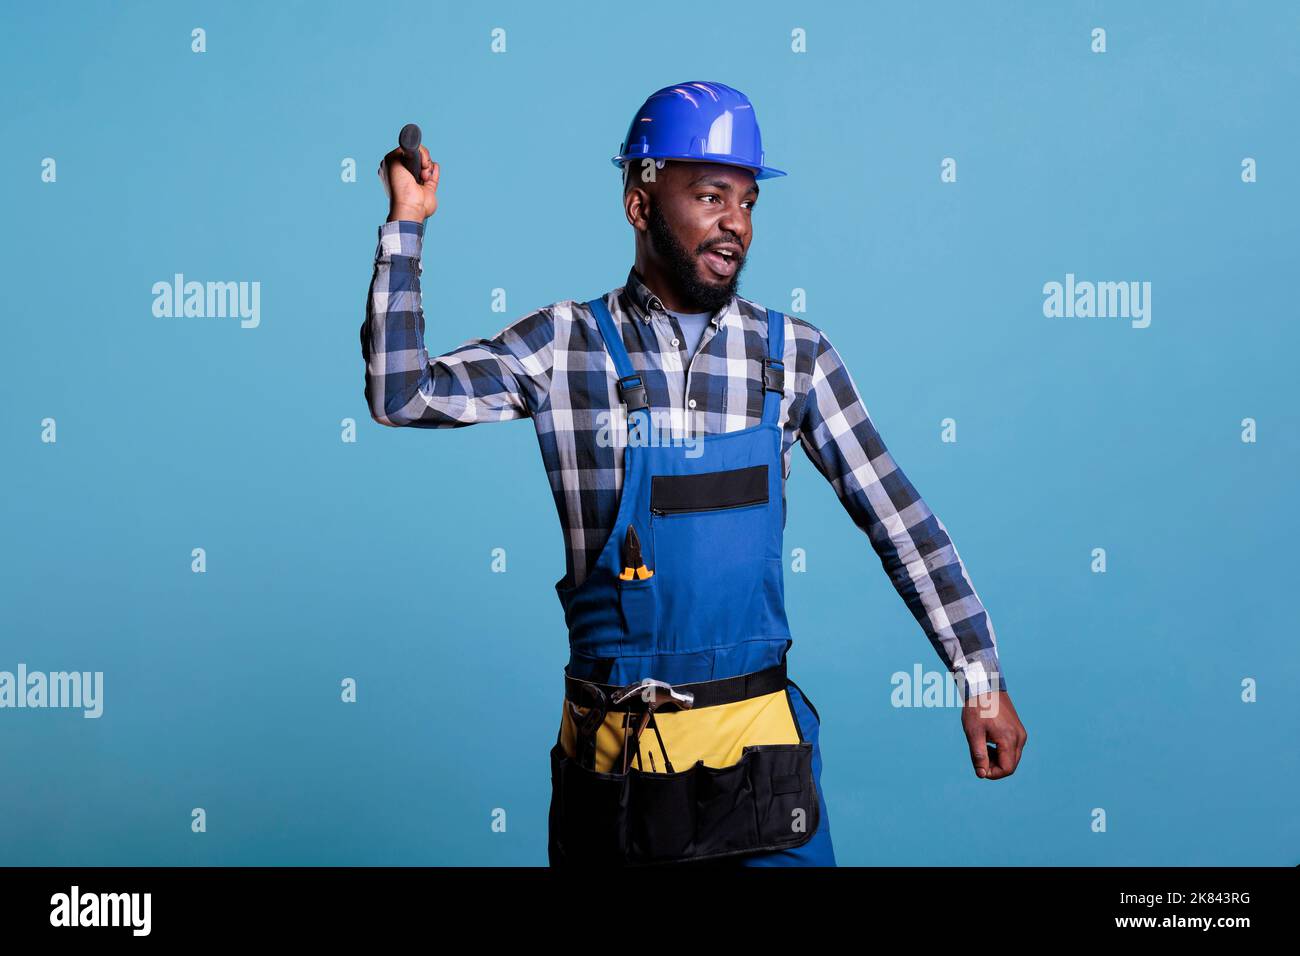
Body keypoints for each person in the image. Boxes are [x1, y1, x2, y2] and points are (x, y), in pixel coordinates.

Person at [361, 81, 1027, 867]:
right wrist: (406, 226)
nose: (734, 224)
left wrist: (978, 677)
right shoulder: (562, 344)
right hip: (616, 781)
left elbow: (900, 520)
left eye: (746, 201)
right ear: (640, 204)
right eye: (711, 196)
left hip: (760, 776)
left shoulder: (794, 356)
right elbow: (401, 395)